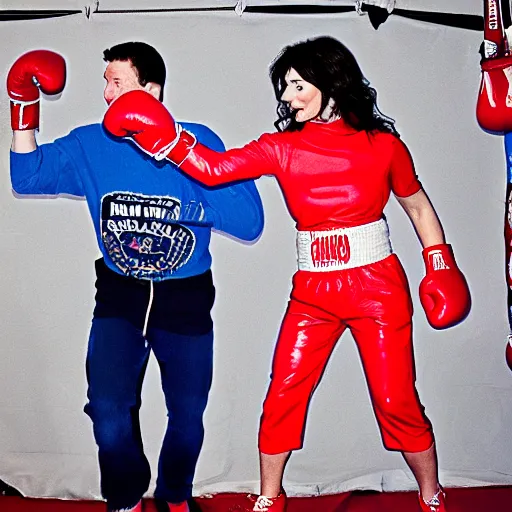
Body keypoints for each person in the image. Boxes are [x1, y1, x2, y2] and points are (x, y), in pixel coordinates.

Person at [102, 36, 471, 512]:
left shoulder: (384, 147)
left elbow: (416, 205)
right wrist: (165, 138)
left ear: (330, 83)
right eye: (286, 86)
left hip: (376, 285)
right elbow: (214, 170)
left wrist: (439, 261)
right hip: (314, 289)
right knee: (282, 395)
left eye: (297, 85)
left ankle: (431, 494)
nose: (287, 96)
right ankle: (269, 497)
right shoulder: (281, 147)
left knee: (396, 399)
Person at [7, 42, 264, 512]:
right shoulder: (92, 144)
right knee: (107, 412)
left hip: (184, 296)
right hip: (119, 295)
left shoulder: (198, 138)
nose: (106, 92)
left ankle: (173, 495)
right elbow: (28, 176)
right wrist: (23, 105)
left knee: (187, 416)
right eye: (105, 81)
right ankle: (125, 494)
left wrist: (184, 179)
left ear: (152, 90)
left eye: (117, 82)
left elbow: (249, 222)